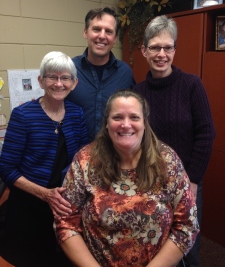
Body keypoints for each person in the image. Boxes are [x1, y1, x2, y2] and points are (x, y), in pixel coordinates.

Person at [54, 89, 199, 267]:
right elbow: (65, 224)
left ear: (145, 123)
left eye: (134, 117)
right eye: (117, 118)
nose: (126, 124)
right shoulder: (85, 161)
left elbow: (187, 226)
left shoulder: (167, 161)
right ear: (107, 123)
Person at [133, 15, 215, 267]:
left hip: (186, 184)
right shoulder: (138, 92)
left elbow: (206, 133)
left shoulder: (191, 85)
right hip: (148, 183)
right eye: (155, 47)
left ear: (174, 50)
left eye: (168, 47)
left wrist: (192, 180)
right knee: (152, 245)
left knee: (186, 248)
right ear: (144, 50)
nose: (162, 54)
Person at [0, 51, 89, 267]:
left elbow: (85, 160)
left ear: (74, 83)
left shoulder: (77, 115)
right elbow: (6, 168)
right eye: (52, 77)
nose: (59, 83)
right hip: (28, 208)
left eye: (65, 78)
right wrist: (45, 194)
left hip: (66, 206)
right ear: (41, 81)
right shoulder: (23, 116)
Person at [66, 7, 136, 141]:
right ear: (86, 32)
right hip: (75, 154)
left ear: (115, 38)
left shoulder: (125, 73)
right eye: (96, 29)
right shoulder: (69, 69)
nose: (102, 36)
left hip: (114, 154)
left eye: (109, 31)